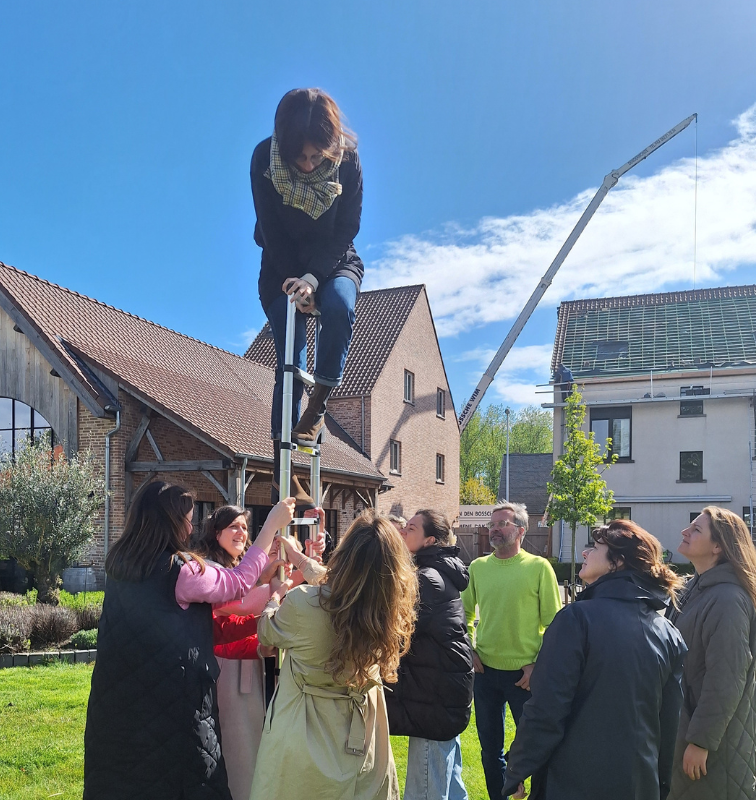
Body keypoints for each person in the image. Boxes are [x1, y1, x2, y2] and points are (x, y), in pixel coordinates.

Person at [83, 481, 294, 800]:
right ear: (172, 520)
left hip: (120, 704)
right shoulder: (182, 571)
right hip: (174, 709)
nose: (190, 526)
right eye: (187, 518)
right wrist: (271, 526)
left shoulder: (120, 564)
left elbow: (208, 622)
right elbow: (237, 584)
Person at [502, 520, 688, 800]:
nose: (585, 553)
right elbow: (668, 726)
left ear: (617, 562)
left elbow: (546, 709)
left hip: (572, 783)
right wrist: (659, 785)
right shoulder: (669, 633)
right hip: (639, 784)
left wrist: (517, 768)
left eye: (595, 547)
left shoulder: (576, 620)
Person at [248, 511, 418, 800]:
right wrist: (298, 557)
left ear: (344, 553)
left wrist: (275, 596)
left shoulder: (304, 604)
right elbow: (337, 582)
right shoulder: (388, 608)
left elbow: (267, 632)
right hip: (364, 732)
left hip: (306, 728)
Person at [251, 87, 363, 506]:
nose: (309, 164)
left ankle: (316, 411)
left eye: (318, 156)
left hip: (334, 262)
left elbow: (346, 228)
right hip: (281, 267)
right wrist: (292, 282)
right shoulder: (264, 159)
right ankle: (285, 472)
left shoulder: (348, 162)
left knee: (339, 307)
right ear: (284, 142)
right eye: (301, 157)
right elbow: (270, 229)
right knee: (290, 358)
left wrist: (315, 280)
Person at [460, 501, 561, 800]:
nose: (494, 528)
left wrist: (537, 665)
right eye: (492, 524)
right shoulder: (477, 568)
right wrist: (471, 651)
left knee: (534, 745)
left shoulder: (539, 567)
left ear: (520, 530)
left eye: (502, 524)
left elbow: (555, 624)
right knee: (490, 749)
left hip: (524, 676)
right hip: (486, 673)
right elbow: (462, 615)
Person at [667, 507, 756, 800]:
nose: (685, 532)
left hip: (711, 748)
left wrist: (701, 742)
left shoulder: (728, 599)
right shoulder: (694, 589)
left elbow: (727, 677)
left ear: (718, 546)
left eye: (696, 529)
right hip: (683, 732)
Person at [386, 510, 474, 800]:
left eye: (410, 528)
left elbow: (397, 632)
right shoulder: (435, 572)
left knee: (426, 790)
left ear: (429, 540)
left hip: (433, 698)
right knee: (449, 784)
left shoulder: (427, 578)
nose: (402, 532)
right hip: (441, 694)